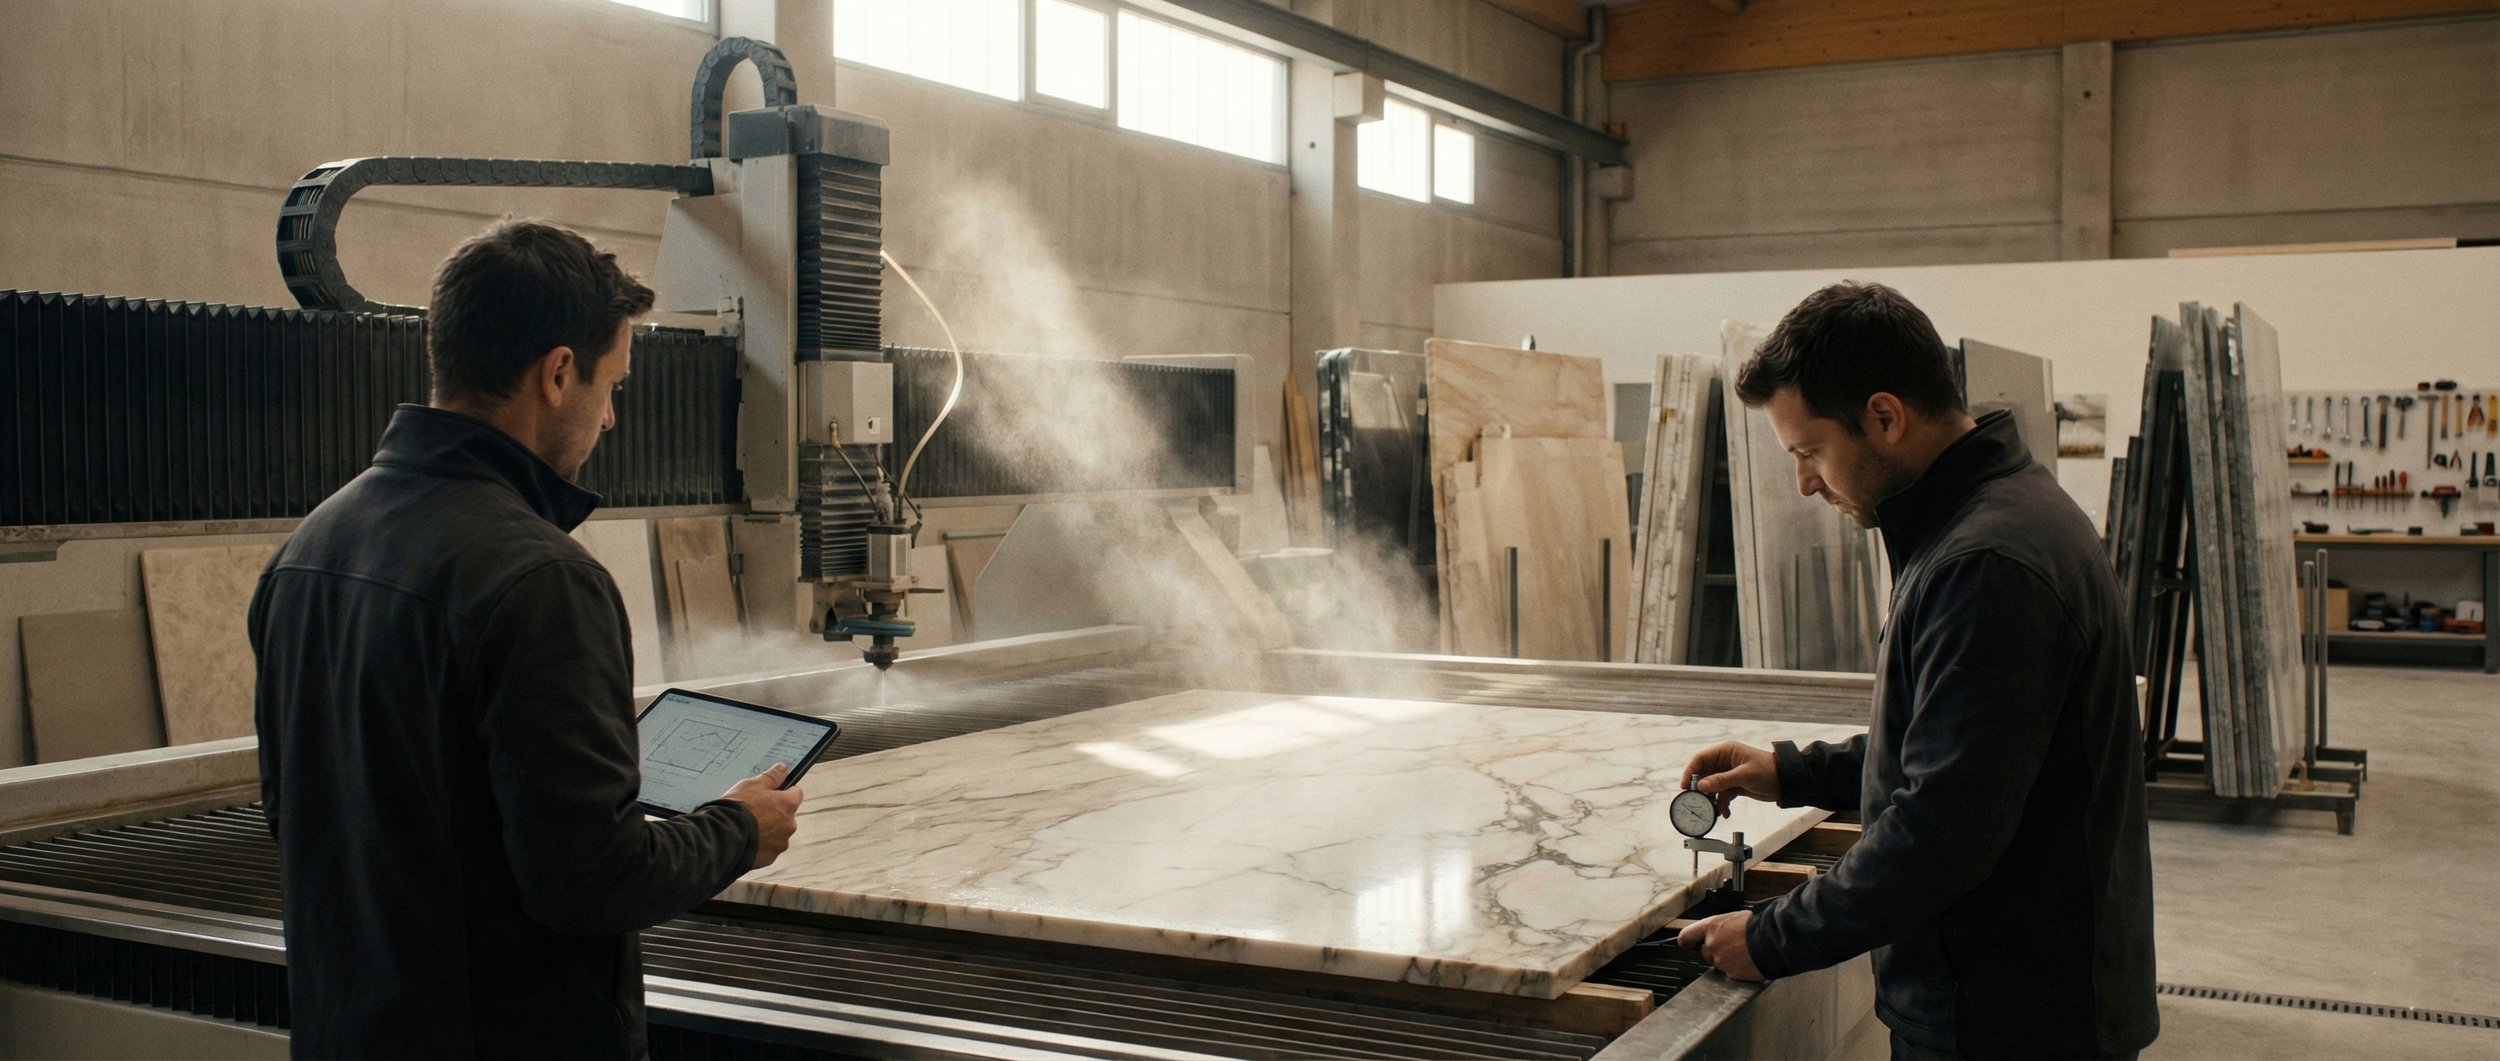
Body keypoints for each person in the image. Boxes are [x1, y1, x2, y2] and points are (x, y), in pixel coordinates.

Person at [250, 219, 802, 1058]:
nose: (611, 416)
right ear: (556, 373)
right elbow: (589, 878)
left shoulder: (307, 551)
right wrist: (737, 828)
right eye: (610, 384)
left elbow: (294, 816)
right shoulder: (542, 580)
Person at [1676, 282, 2158, 1059]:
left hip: (2012, 1020)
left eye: (1809, 452)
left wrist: (1770, 936)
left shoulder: (1987, 563)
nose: (1804, 482)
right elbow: (1963, 750)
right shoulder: (1988, 520)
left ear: (1885, 417)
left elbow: (1941, 831)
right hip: (2018, 996)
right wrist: (1790, 771)